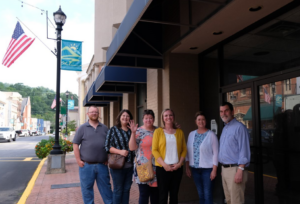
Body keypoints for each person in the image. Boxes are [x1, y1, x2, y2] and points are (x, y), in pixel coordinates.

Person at [73, 105, 113, 204]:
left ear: (98, 114)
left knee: (107, 190)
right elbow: (75, 144)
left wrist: (108, 157)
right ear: (88, 114)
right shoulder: (82, 128)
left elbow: (109, 145)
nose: (94, 113)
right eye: (92, 112)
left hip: (102, 166)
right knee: (87, 191)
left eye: (96, 112)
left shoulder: (104, 128)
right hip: (86, 165)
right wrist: (78, 160)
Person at [152, 108, 187, 204]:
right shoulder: (158, 131)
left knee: (174, 196)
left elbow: (184, 149)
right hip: (163, 168)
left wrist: (180, 163)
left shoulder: (179, 132)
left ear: (174, 117)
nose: (168, 117)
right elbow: (154, 150)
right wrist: (165, 165)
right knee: (162, 196)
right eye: (166, 115)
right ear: (163, 118)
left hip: (177, 168)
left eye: (170, 115)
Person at [219, 102, 251, 204]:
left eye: (226, 110)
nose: (223, 113)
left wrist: (240, 170)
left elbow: (244, 150)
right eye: (221, 111)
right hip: (225, 170)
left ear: (232, 112)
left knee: (236, 201)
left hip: (235, 169)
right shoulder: (225, 128)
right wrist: (223, 168)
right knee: (228, 200)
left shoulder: (239, 128)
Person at [185, 111, 219, 204]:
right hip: (195, 169)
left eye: (203, 119)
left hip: (207, 170)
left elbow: (216, 153)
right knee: (200, 194)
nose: (201, 121)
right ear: (196, 121)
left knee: (207, 194)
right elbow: (187, 152)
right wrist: (187, 167)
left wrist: (214, 170)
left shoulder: (211, 135)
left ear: (206, 121)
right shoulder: (191, 134)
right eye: (199, 119)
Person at [128, 109, 159, 204]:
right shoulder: (138, 131)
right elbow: (132, 148)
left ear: (153, 119)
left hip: (156, 166)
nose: (148, 120)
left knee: (155, 194)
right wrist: (133, 133)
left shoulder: (159, 131)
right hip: (143, 167)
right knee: (144, 194)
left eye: (150, 118)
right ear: (143, 119)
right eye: (146, 118)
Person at [105, 109, 134, 204]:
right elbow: (107, 147)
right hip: (117, 165)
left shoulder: (132, 131)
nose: (125, 117)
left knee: (126, 189)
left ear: (130, 118)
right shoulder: (113, 130)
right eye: (123, 115)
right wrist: (120, 152)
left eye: (127, 116)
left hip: (130, 165)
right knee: (118, 190)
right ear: (120, 117)